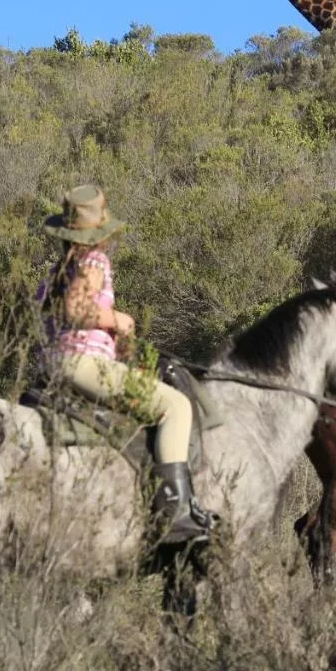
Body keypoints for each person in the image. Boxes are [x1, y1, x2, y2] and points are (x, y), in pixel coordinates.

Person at [37, 185, 212, 544]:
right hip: (83, 363)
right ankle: (176, 516)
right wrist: (118, 320)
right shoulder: (93, 262)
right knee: (176, 407)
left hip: (51, 364)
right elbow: (77, 310)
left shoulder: (57, 271)